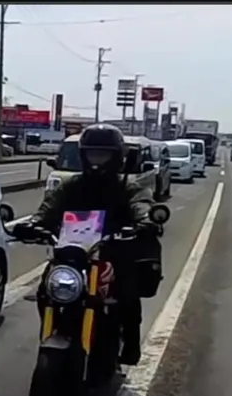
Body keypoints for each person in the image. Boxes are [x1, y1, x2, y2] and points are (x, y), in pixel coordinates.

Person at [21, 123, 156, 364]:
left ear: (116, 157)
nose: (97, 161)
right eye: (93, 154)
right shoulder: (71, 185)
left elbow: (141, 203)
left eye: (103, 155)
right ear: (84, 155)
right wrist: (34, 223)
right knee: (46, 290)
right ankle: (52, 329)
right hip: (73, 251)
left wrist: (144, 220)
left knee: (128, 292)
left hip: (114, 251)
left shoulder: (127, 187)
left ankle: (131, 345)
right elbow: (49, 207)